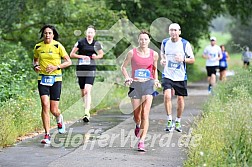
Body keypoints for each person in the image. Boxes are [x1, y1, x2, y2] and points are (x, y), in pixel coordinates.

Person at [121, 30, 159, 151]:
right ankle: (137, 124)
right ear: (138, 40)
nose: (143, 41)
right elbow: (123, 67)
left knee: (145, 114)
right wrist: (127, 77)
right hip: (135, 85)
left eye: (145, 39)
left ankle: (142, 141)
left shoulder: (154, 54)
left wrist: (156, 80)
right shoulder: (132, 53)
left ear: (149, 40)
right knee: (137, 115)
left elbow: (155, 69)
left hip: (148, 84)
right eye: (141, 39)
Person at [33, 25, 72, 144]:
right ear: (43, 34)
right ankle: (47, 135)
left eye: (50, 33)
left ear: (53, 35)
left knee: (54, 109)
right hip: (43, 78)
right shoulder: (38, 46)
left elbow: (68, 61)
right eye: (45, 33)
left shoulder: (58, 46)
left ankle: (59, 118)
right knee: (45, 105)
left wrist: (56, 67)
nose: (47, 35)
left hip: (56, 79)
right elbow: (35, 60)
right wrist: (35, 66)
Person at [160, 23, 195, 132]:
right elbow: (162, 53)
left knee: (180, 99)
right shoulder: (165, 42)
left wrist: (183, 59)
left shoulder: (185, 44)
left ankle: (178, 121)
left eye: (175, 30)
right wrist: (162, 60)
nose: (173, 32)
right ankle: (169, 119)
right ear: (169, 31)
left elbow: (192, 59)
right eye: (171, 30)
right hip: (168, 74)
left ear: (179, 32)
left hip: (180, 76)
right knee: (167, 96)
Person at [70, 25, 104, 122]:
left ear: (94, 34)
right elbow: (71, 54)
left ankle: (86, 112)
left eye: (91, 32)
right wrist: (81, 56)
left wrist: (96, 57)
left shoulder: (96, 43)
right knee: (82, 91)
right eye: (88, 32)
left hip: (91, 68)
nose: (90, 34)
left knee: (87, 90)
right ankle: (86, 106)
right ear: (86, 33)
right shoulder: (80, 42)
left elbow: (101, 54)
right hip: (81, 68)